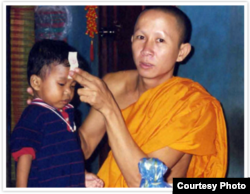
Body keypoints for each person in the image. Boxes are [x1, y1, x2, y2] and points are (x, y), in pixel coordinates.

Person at [28, 6, 228, 187]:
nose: (147, 50)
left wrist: (109, 108)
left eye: (160, 40)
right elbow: (85, 145)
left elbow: (143, 182)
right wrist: (54, 116)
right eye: (141, 37)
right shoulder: (113, 85)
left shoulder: (193, 105)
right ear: (132, 41)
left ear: (181, 52)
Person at [10, 39, 103, 187]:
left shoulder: (67, 114)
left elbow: (71, 153)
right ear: (36, 83)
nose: (68, 92)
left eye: (72, 86)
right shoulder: (34, 115)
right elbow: (24, 156)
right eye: (61, 84)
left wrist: (82, 175)